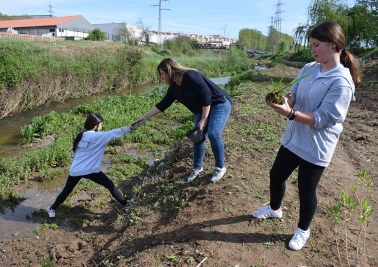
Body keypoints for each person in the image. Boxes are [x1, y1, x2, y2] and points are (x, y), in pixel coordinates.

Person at [252, 21, 361, 250]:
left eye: (316, 44)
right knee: (276, 175)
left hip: (316, 146)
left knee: (306, 190)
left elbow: (322, 118)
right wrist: (284, 102)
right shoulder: (310, 68)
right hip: (294, 138)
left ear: (333, 45)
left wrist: (290, 113)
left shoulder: (341, 82)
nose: (312, 49)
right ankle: (274, 209)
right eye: (311, 44)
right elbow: (294, 94)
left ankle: (303, 230)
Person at [135, 58, 232, 183]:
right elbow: (162, 105)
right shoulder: (174, 89)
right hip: (202, 108)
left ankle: (220, 167)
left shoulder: (191, 76)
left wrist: (204, 119)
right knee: (196, 137)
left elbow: (206, 94)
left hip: (219, 103)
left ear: (169, 71)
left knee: (213, 133)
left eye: (162, 74)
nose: (161, 77)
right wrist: (144, 117)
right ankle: (197, 168)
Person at [45, 113, 138, 218]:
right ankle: (126, 205)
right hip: (91, 171)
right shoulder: (98, 136)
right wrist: (130, 128)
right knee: (109, 185)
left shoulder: (81, 135)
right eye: (101, 125)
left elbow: (74, 153)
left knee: (66, 191)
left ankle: (52, 209)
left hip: (76, 170)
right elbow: (113, 133)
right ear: (95, 126)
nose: (102, 127)